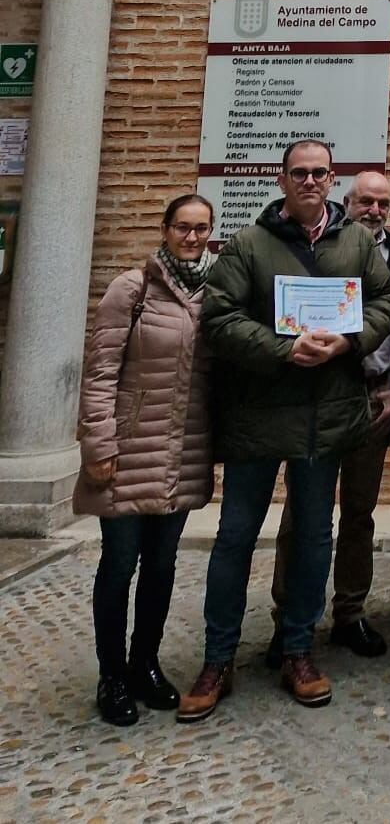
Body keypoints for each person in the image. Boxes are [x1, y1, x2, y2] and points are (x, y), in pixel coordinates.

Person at [178, 139, 390, 723]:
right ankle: (217, 659)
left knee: (313, 540)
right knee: (235, 539)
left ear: (332, 179)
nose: (309, 181)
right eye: (298, 173)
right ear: (281, 179)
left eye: (319, 173)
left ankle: (298, 650)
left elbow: (385, 301)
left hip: (324, 420)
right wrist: (282, 348)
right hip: (258, 417)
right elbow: (218, 318)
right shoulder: (249, 245)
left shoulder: (355, 241)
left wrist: (349, 341)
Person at [264, 171, 390, 665]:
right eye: (365, 201)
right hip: (320, 395)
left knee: (359, 513)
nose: (373, 210)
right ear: (345, 201)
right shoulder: (318, 249)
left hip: (373, 400)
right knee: (301, 514)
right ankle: (287, 621)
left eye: (383, 204)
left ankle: (349, 613)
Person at [76, 194, 216, 726]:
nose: (192, 237)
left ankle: (145, 664)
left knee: (161, 566)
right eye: (183, 227)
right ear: (165, 229)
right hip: (130, 448)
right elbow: (101, 371)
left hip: (181, 451)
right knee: (119, 564)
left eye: (202, 228)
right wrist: (99, 444)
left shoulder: (214, 292)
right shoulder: (130, 289)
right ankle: (111, 676)